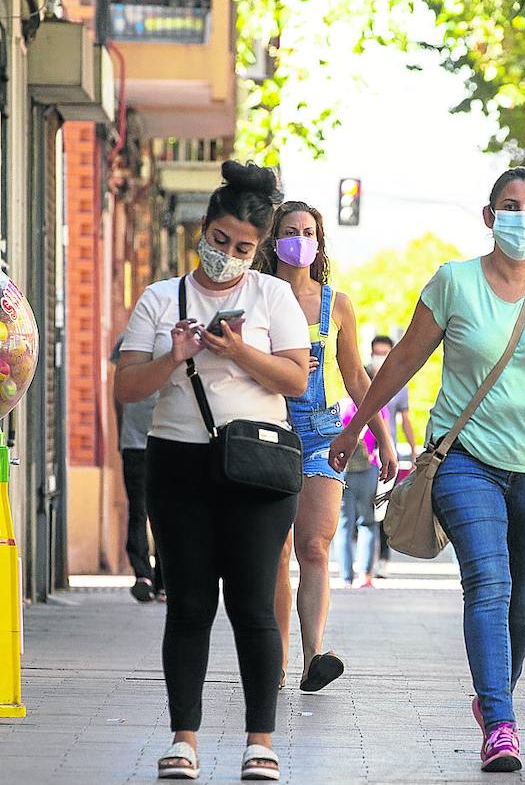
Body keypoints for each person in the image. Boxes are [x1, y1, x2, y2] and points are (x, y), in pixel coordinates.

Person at [328, 167, 525, 773]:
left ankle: (493, 693)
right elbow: (402, 360)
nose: (521, 216)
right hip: (466, 459)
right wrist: (356, 429)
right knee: (488, 581)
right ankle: (501, 722)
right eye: (510, 205)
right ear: (488, 215)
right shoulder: (453, 282)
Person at [114, 161, 310, 781]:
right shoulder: (160, 298)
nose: (229, 256)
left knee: (253, 604)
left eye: (244, 248)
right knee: (191, 605)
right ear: (204, 230)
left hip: (257, 463)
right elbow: (126, 388)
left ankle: (261, 742)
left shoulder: (272, 296)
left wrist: (238, 350)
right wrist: (176, 354)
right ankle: (185, 740)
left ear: (259, 250)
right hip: (179, 462)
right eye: (221, 241)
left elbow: (297, 379)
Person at [256, 200, 398, 693]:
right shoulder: (252, 294)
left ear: (319, 243)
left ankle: (314, 655)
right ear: (273, 240)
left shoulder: (335, 304)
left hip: (320, 434)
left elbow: (356, 375)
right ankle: (272, 660)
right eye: (291, 231)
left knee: (314, 544)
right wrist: (280, 364)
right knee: (275, 552)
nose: (301, 239)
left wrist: (382, 437)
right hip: (266, 432)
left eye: (309, 231)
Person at [111, 333, 163, 603]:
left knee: (166, 511)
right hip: (136, 442)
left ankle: (163, 580)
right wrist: (122, 432)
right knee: (140, 509)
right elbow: (118, 391)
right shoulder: (129, 339)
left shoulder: (183, 333)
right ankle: (143, 575)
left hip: (169, 440)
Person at [368, 335, 417, 578]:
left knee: (384, 508)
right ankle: (363, 559)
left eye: (385, 353)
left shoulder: (400, 384)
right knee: (361, 509)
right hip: (361, 455)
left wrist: (414, 448)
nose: (381, 358)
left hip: (388, 455)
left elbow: (405, 420)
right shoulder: (361, 379)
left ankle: (382, 559)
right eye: (377, 353)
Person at [337, 396, 382, 588]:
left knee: (344, 525)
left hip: (343, 469)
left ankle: (346, 576)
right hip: (367, 469)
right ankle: (365, 575)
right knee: (367, 522)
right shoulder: (377, 407)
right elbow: (381, 436)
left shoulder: (340, 407)